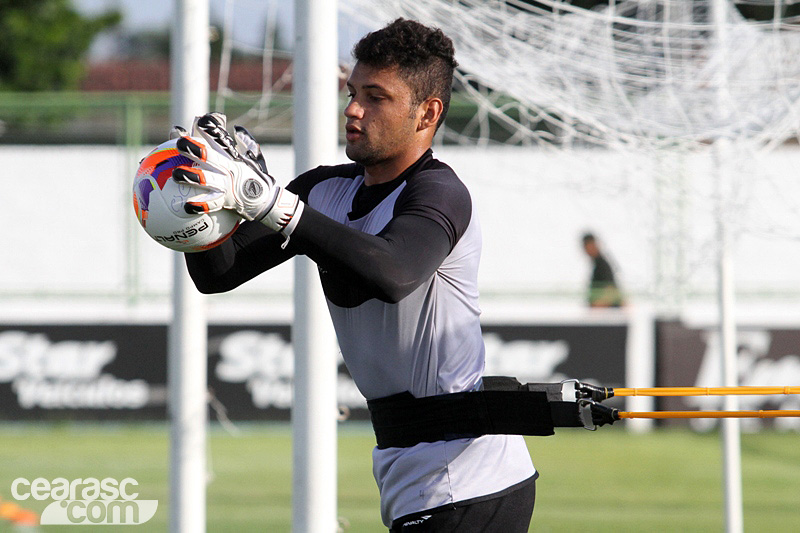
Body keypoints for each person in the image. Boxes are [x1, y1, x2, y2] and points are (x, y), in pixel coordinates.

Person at [172, 18, 536, 532]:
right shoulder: (323, 191)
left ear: (426, 113)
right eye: (352, 92)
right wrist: (194, 213)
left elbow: (392, 273)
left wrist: (270, 202)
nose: (353, 110)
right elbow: (219, 274)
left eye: (376, 96)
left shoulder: (439, 192)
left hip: (471, 477)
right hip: (411, 472)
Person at [581, 232, 624, 308]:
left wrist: (596, 308)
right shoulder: (597, 264)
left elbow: (610, 291)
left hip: (609, 314)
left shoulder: (602, 265)